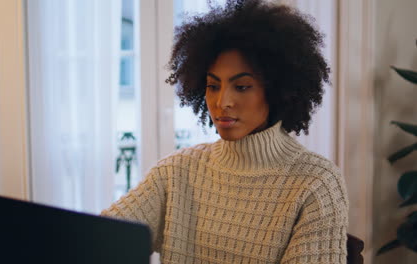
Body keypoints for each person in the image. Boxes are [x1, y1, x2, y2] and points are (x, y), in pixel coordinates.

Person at [101, 0, 349, 263]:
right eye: (213, 86)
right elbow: (99, 239)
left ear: (278, 91)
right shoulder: (177, 171)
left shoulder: (316, 183)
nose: (222, 102)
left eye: (241, 86)